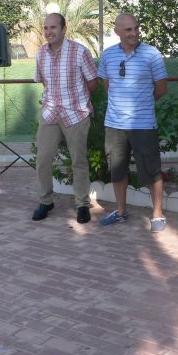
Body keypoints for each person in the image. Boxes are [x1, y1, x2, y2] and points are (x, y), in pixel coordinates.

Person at [97, 13, 168, 232]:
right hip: (114, 125)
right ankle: (120, 212)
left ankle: (157, 215)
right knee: (117, 171)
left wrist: (141, 104)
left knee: (151, 170)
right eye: (128, 30)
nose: (134, 33)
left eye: (136, 28)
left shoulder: (152, 54)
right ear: (117, 31)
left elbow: (161, 89)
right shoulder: (108, 55)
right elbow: (108, 87)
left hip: (143, 124)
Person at [33, 13, 99, 224]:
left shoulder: (80, 52)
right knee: (43, 159)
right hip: (50, 113)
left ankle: (82, 204)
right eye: (46, 28)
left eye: (53, 27)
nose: (48, 32)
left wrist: (77, 100)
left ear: (63, 29)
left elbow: (93, 83)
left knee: (79, 161)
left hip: (76, 113)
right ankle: (46, 201)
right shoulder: (41, 54)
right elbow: (44, 82)